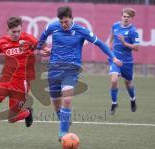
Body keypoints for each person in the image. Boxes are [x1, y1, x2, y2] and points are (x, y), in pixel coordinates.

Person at [36, 6, 123, 141]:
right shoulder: (52, 27)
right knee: (56, 104)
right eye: (61, 22)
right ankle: (64, 119)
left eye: (66, 22)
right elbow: (40, 41)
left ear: (72, 18)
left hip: (71, 69)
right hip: (54, 69)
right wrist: (43, 49)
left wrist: (113, 57)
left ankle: (62, 132)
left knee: (67, 99)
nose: (64, 25)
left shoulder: (81, 30)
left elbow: (100, 43)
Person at [107, 8, 139, 115]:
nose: (126, 18)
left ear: (131, 19)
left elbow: (136, 48)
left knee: (128, 83)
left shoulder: (133, 31)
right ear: (121, 16)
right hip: (115, 59)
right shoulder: (115, 26)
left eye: (128, 17)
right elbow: (111, 36)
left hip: (127, 62)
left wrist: (124, 42)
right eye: (124, 16)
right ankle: (114, 103)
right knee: (114, 80)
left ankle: (132, 99)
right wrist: (108, 44)